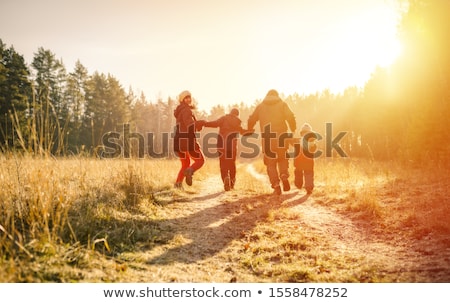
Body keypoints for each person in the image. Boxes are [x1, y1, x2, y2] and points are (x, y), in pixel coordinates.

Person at [247, 89, 296, 195]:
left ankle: (276, 184)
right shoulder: (282, 105)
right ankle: (283, 175)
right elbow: (290, 116)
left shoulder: (260, 106)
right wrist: (293, 128)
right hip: (282, 137)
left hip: (268, 138)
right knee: (283, 159)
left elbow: (252, 119)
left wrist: (250, 129)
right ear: (277, 95)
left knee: (271, 163)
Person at [203, 108, 252, 191]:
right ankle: (232, 183)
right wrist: (250, 131)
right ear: (237, 115)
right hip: (232, 146)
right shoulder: (237, 122)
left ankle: (226, 177)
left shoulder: (224, 119)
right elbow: (243, 132)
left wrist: (204, 123)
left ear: (230, 113)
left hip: (221, 144)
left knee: (223, 164)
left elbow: (214, 123)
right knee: (231, 164)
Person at [173, 90, 205, 188]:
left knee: (185, 163)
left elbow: (188, 125)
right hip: (187, 141)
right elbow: (189, 125)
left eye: (189, 97)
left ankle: (178, 185)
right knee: (201, 161)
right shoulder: (186, 110)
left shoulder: (180, 111)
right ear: (182, 100)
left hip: (178, 142)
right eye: (186, 98)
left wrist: (197, 125)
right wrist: (199, 123)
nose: (188, 99)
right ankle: (190, 171)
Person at [293, 123, 318, 195]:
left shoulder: (298, 141)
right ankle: (309, 187)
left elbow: (296, 151)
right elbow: (313, 149)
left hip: (299, 161)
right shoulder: (312, 142)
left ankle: (299, 184)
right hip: (308, 162)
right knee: (308, 174)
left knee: (298, 173)